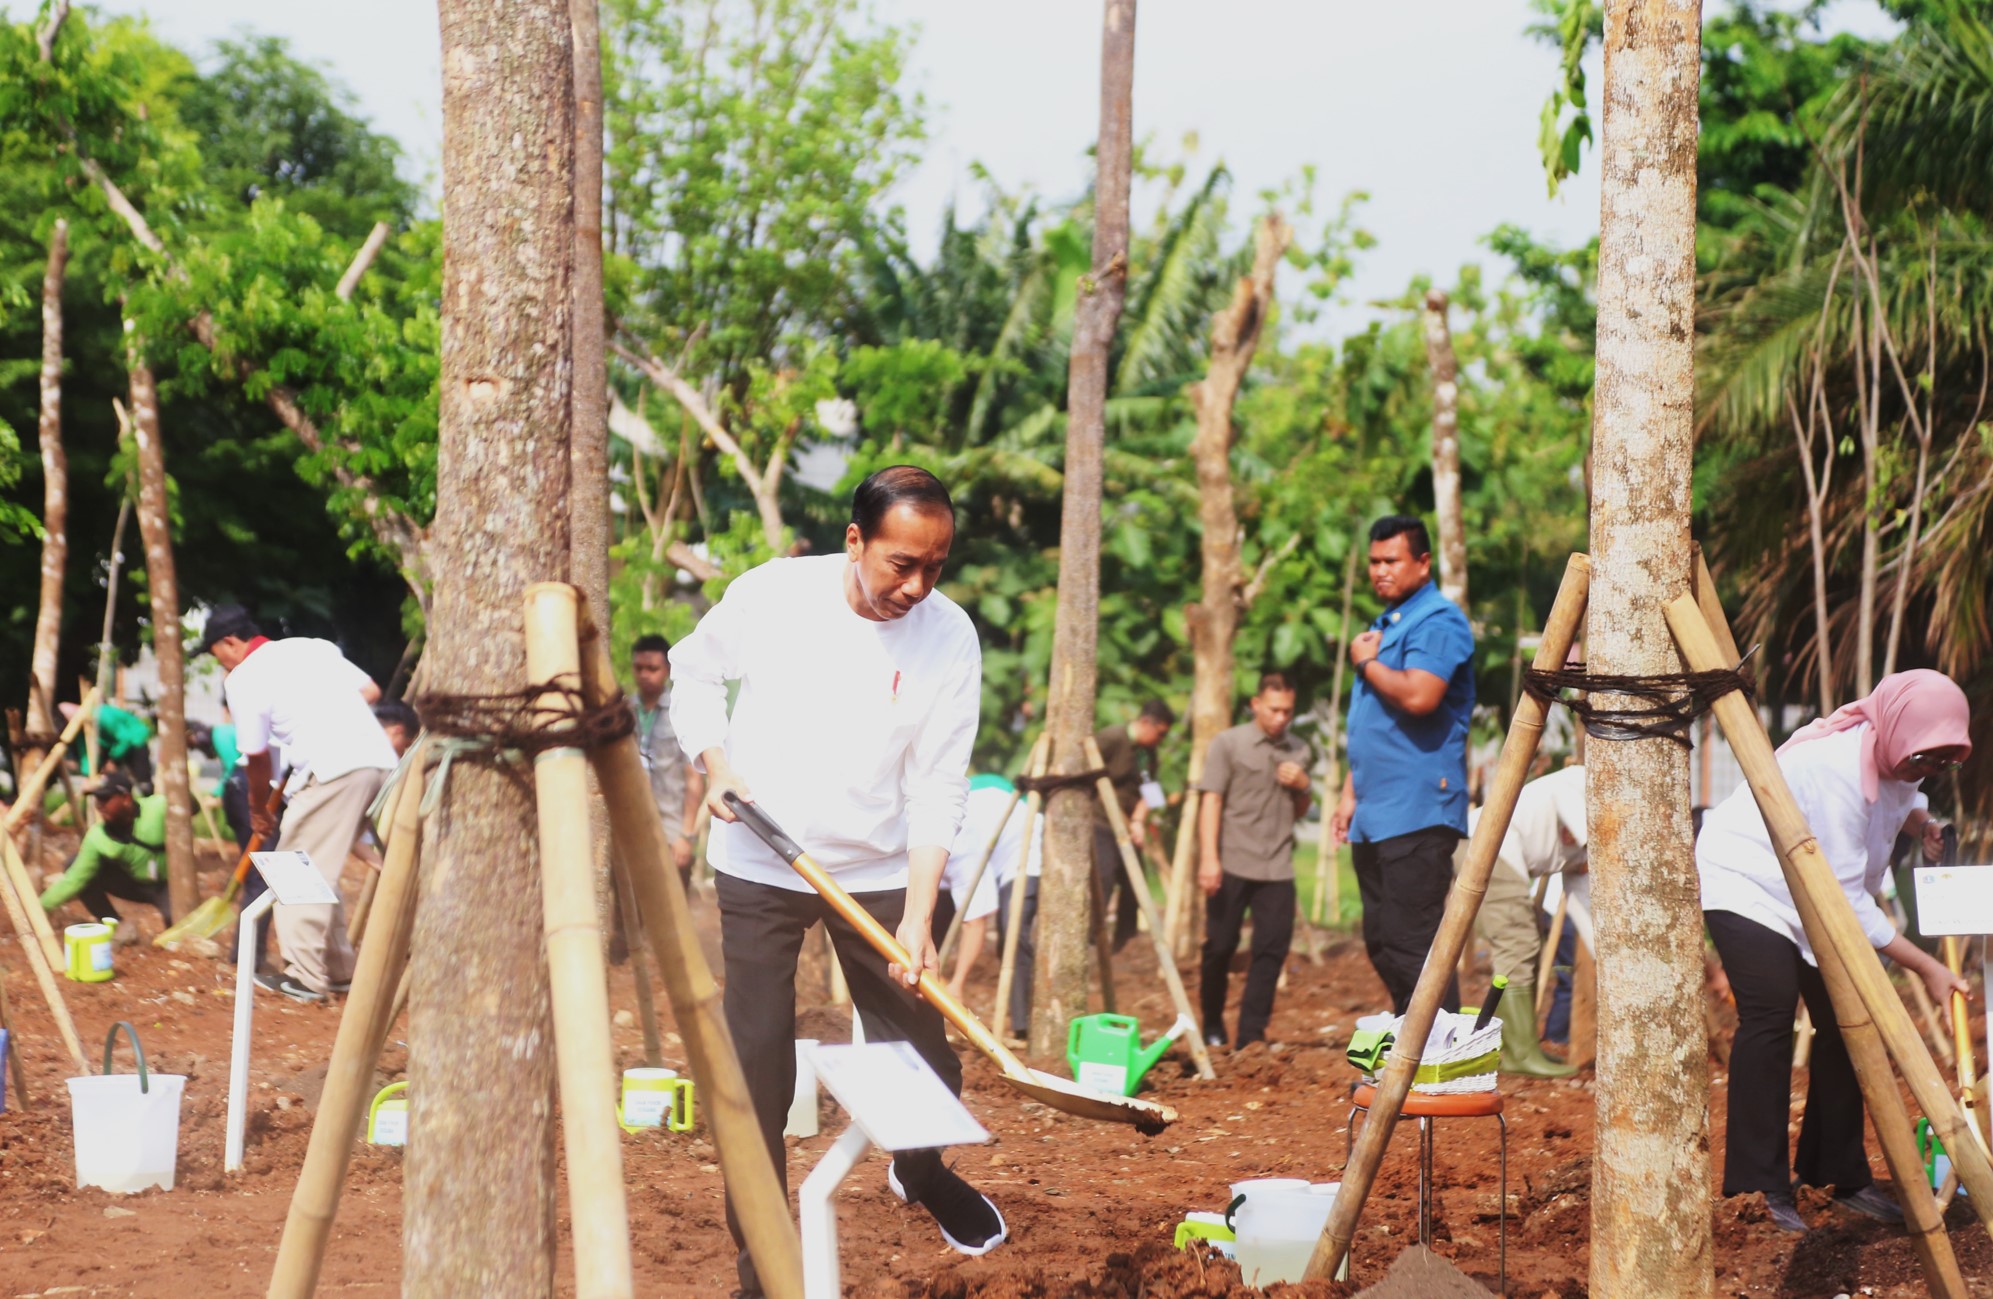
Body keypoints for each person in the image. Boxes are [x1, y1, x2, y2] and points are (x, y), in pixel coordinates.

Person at [670, 465, 1002, 1292]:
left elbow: (939, 782)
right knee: (757, 1074)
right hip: (759, 855)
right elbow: (693, 670)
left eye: (936, 565)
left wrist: (921, 916)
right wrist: (715, 764)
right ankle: (764, 1262)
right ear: (854, 541)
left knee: (923, 1060)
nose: (918, 585)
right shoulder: (775, 595)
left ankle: (921, 1173)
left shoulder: (949, 635)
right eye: (901, 564)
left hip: (882, 870)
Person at [1699, 669, 1972, 1233]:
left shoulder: (1895, 751)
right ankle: (1757, 1186)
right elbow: (1848, 902)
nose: (1926, 771)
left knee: (1854, 1024)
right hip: (1752, 883)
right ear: (1897, 729)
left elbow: (1903, 794)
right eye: (1923, 759)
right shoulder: (1836, 768)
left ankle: (1835, 1173)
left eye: (1941, 764)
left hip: (1815, 892)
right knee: (1771, 1015)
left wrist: (1921, 822)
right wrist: (1926, 968)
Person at [196, 605, 396, 1004]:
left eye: (216, 654)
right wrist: (323, 714)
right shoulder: (313, 648)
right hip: (379, 762)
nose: (220, 663)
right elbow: (371, 690)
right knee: (318, 868)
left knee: (292, 865)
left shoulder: (244, 679)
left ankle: (305, 976)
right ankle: (338, 971)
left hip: (332, 768)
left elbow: (254, 756)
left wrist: (258, 810)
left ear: (229, 643)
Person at [1334, 515, 1476, 1014]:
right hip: (1376, 814)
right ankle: (1408, 1064)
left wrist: (1366, 664)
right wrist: (1349, 795)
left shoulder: (1438, 621)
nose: (1380, 571)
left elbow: (1419, 696)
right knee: (1382, 941)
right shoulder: (1388, 625)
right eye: (1374, 562)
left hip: (1418, 810)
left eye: (1391, 560)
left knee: (1413, 945)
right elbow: (1375, 725)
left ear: (1422, 562)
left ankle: (1440, 1066)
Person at [1197, 672, 1313, 1050]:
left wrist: (1303, 786)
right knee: (1220, 945)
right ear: (1256, 705)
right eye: (1275, 709)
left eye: (1288, 711)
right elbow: (1211, 800)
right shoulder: (1228, 744)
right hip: (1231, 860)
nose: (1281, 718)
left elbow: (1300, 810)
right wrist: (1209, 859)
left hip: (1277, 866)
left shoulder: (1300, 750)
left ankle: (1251, 1035)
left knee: (1272, 949)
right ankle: (1212, 1023)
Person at [1468, 763, 1585, 1077]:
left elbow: (1583, 903)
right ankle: (1520, 1054)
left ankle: (1520, 1046)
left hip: (1508, 855)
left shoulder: (1590, 853)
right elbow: (1563, 793)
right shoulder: (1582, 781)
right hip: (1491, 840)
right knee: (1517, 943)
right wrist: (1589, 837)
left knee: (1527, 945)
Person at [942, 774, 1043, 1012]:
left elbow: (975, 923)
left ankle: (1022, 1020)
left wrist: (958, 983)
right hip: (978, 837)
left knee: (1012, 928)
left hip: (1018, 846)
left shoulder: (959, 848)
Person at [38, 773, 172, 934]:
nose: (99, 805)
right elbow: (73, 881)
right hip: (135, 884)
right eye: (97, 799)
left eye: (105, 798)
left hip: (169, 885)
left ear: (126, 799)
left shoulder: (157, 807)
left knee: (175, 922)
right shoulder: (97, 837)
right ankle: (115, 925)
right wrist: (38, 908)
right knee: (74, 863)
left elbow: (190, 805)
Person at [1093, 700, 1173, 950]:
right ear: (1146, 723)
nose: (1161, 740)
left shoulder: (1148, 753)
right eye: (1160, 734)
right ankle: (1091, 936)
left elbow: (1151, 791)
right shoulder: (1111, 738)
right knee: (1103, 875)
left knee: (1134, 880)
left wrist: (1139, 820)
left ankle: (1123, 942)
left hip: (1128, 824)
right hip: (1100, 820)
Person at [630, 633, 702, 880]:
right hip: (631, 827)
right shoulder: (625, 712)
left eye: (653, 668)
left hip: (671, 831)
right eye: (639, 668)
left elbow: (693, 778)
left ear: (667, 670)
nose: (644, 674)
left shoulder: (681, 711)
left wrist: (686, 835)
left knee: (673, 909)